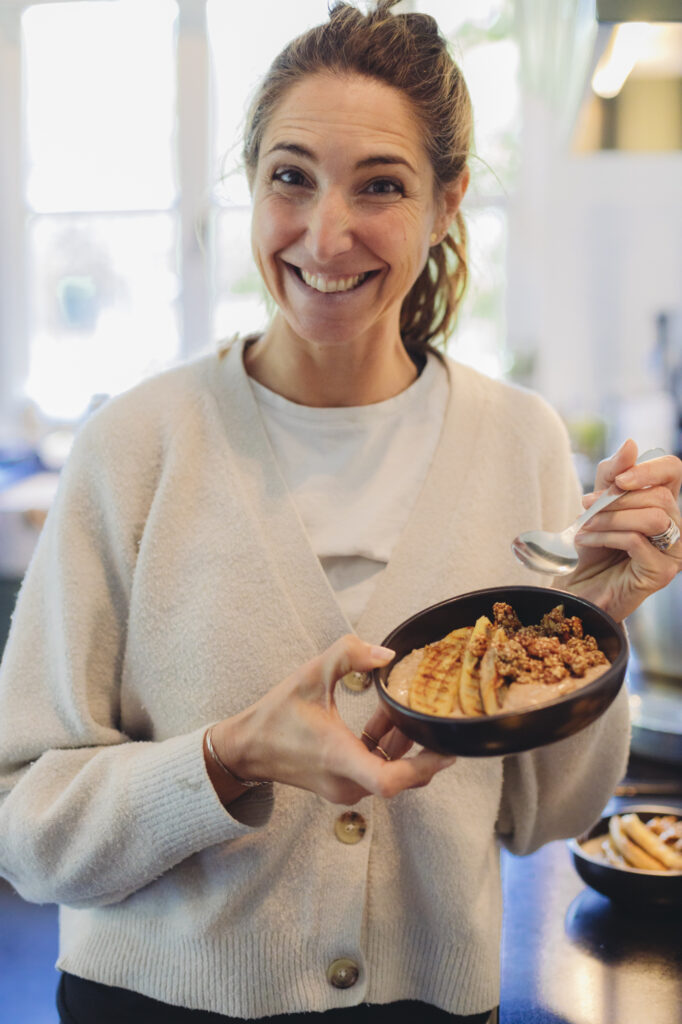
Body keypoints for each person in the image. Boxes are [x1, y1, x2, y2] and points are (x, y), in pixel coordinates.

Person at [0, 3, 681, 1023]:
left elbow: (554, 813)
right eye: (291, 176)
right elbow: (27, 825)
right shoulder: (133, 446)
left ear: (447, 201)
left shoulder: (519, 441)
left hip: (431, 1003)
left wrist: (593, 621)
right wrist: (226, 758)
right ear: (250, 184)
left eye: (381, 185)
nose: (326, 234)